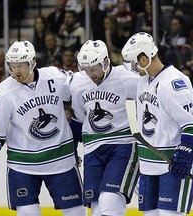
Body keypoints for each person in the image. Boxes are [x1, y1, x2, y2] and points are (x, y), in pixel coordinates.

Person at [0, 41, 86, 216]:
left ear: (32, 62)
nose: (16, 71)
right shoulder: (3, 93)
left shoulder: (55, 77)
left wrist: (79, 121)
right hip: (23, 165)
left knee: (76, 212)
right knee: (28, 213)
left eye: (20, 66)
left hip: (60, 160)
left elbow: (82, 89)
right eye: (12, 66)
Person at [122, 32, 193, 216]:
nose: (131, 67)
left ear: (144, 59)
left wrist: (185, 155)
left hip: (173, 164)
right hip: (149, 164)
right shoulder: (143, 80)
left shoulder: (174, 82)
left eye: (133, 62)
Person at [70, 40, 139, 216]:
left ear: (106, 62)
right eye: (86, 69)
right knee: (96, 207)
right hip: (92, 148)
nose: (90, 74)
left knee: (110, 201)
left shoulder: (128, 78)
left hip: (123, 145)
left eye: (94, 69)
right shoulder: (78, 83)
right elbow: (79, 117)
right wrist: (72, 146)